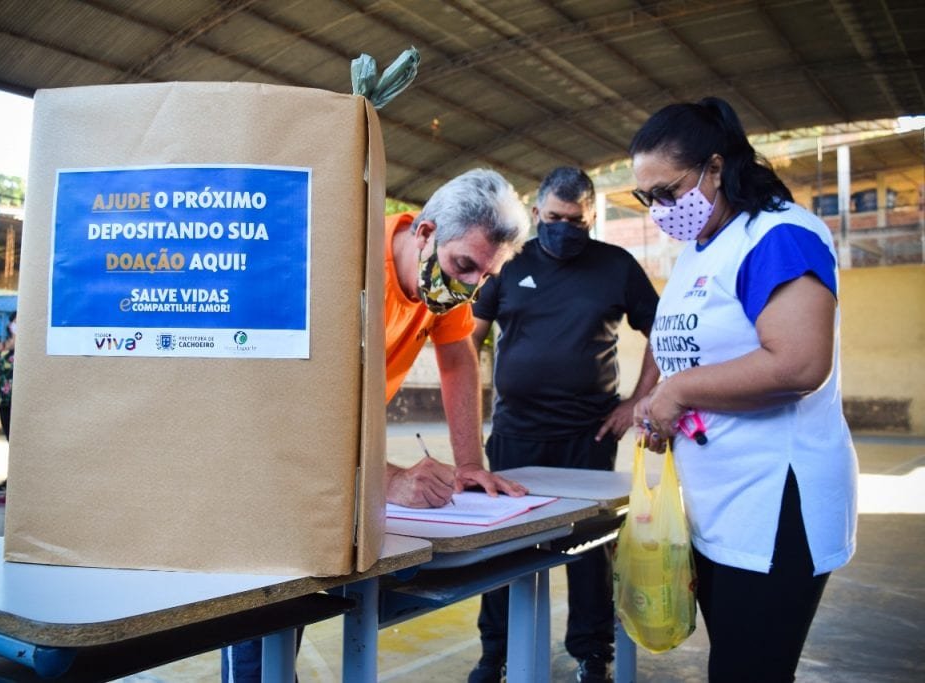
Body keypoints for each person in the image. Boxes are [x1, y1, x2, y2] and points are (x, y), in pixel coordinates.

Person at [223, 167, 533, 682]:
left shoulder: (440, 281)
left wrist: (469, 465)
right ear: (426, 232)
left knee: (303, 596)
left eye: (486, 277)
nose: (471, 287)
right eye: (464, 266)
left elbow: (457, 355)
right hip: (272, 449)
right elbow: (300, 400)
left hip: (336, 452)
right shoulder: (348, 262)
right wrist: (387, 479)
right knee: (264, 611)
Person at [628, 97, 857, 682]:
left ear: (715, 167)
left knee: (749, 670)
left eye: (666, 192)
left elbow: (801, 364)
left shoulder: (778, 235)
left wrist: (677, 394)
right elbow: (688, 353)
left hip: (774, 503)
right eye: (645, 198)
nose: (658, 211)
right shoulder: (698, 251)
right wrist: (658, 409)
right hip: (717, 502)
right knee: (732, 664)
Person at [468, 167, 660, 683]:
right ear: (536, 214)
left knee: (588, 556)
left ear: (592, 218)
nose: (565, 228)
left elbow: (663, 333)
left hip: (589, 436)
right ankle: (495, 654)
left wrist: (636, 404)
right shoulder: (508, 264)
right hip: (516, 435)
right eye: (555, 218)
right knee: (502, 549)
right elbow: (465, 342)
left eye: (577, 221)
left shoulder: (616, 266)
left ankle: (592, 654)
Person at [0, 311, 17, 499]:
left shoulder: (27, 346)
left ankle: (17, 482)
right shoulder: (1, 346)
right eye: (15, 321)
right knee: (10, 442)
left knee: (19, 443)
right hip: (4, 401)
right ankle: (11, 480)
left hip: (21, 402)